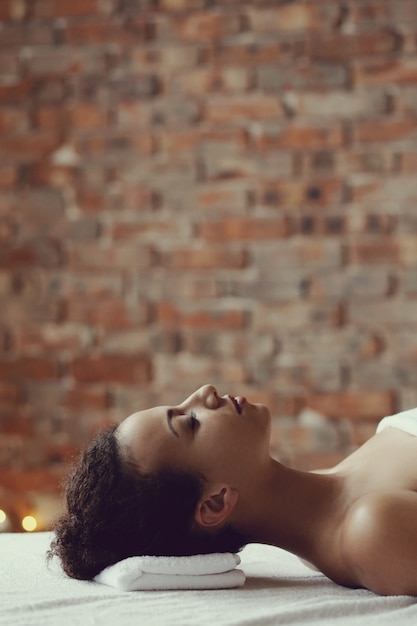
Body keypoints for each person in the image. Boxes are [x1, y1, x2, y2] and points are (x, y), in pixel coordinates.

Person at [50, 384, 417, 596]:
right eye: (190, 423)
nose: (204, 393)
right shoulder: (373, 532)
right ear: (214, 503)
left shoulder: (337, 487)